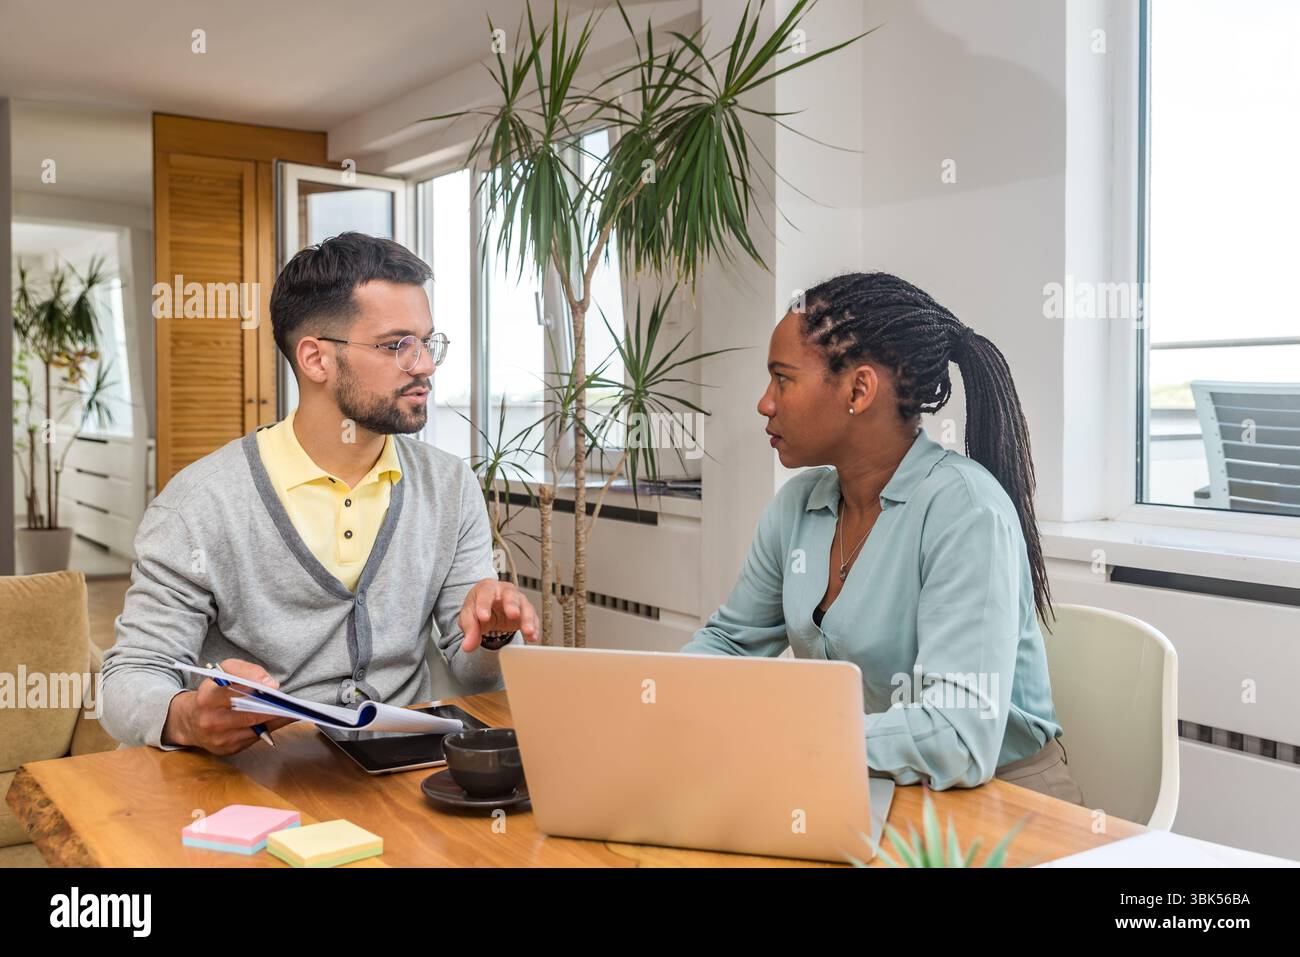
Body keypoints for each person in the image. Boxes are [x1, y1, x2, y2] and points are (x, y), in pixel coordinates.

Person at [102, 232, 539, 755]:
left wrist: (491, 634)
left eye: (427, 341)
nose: (424, 365)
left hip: (407, 777)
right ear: (315, 359)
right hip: (260, 781)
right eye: (397, 344)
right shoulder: (198, 505)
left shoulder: (450, 485)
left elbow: (473, 674)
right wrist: (187, 719)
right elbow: (128, 676)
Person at [682, 272, 1084, 803]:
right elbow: (731, 643)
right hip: (868, 783)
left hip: (1003, 801)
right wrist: (658, 698)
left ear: (859, 389)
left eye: (782, 379)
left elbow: (957, 736)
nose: (765, 403)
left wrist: (787, 737)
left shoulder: (965, 511)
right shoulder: (797, 507)